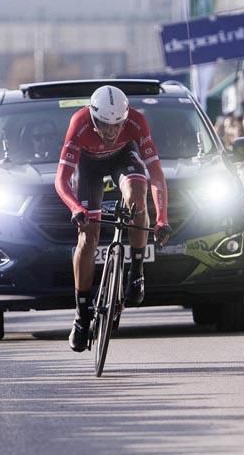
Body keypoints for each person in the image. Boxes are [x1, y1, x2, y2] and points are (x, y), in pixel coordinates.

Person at [55, 85, 172, 352]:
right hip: (89, 167)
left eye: (117, 125)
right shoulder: (80, 123)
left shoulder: (136, 122)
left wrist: (162, 218)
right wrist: (75, 208)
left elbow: (156, 174)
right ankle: (82, 316)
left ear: (125, 118)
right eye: (104, 125)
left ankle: (137, 272)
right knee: (88, 237)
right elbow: (61, 180)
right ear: (93, 117)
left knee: (136, 193)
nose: (110, 132)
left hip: (123, 157)